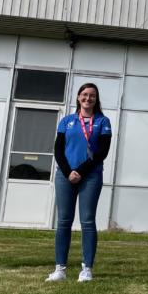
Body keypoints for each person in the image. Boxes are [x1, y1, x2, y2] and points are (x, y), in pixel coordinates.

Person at [46, 83, 112, 283]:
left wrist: (81, 171)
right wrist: (68, 172)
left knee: (87, 221)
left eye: (92, 95)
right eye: (84, 94)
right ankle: (60, 269)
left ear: (96, 99)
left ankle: (87, 269)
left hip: (90, 176)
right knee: (64, 222)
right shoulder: (67, 121)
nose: (88, 98)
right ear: (78, 97)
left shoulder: (102, 121)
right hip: (66, 176)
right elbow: (58, 149)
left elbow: (102, 152)